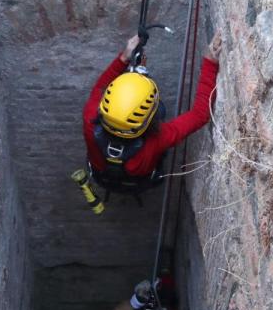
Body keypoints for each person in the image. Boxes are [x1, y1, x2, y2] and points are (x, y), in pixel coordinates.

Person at [82, 32, 223, 194]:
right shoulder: (156, 140)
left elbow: (100, 87)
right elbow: (200, 114)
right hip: (139, 182)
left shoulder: (89, 118)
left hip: (101, 175)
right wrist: (210, 63)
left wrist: (124, 57)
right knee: (161, 109)